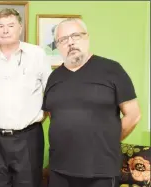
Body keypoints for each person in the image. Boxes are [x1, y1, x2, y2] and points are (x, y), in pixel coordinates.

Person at [42, 18, 141, 187]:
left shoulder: (112, 69)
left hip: (101, 170)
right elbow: (53, 115)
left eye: (75, 36)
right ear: (58, 46)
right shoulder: (54, 77)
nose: (70, 42)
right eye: (63, 39)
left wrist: (107, 141)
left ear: (87, 37)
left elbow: (133, 114)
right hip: (60, 169)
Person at [0, 8, 52, 187]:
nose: (5, 30)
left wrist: (40, 116)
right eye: (0, 26)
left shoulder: (37, 55)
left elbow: (50, 93)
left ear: (20, 28)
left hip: (28, 137)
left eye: (10, 25)